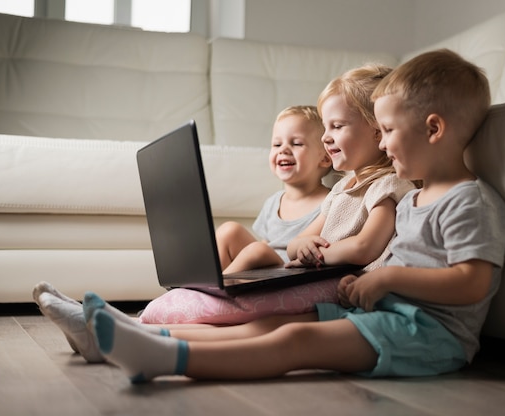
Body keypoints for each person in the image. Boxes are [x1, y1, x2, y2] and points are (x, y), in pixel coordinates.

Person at [70, 49, 505, 382]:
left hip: (431, 335)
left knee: (293, 341)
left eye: (390, 132)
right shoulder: (417, 197)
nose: (384, 142)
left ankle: (162, 359)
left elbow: (471, 281)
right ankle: (132, 338)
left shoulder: (469, 200)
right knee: (270, 324)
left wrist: (386, 279)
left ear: (434, 129)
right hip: (384, 313)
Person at [34, 62, 416, 365]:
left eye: (336, 126)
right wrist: (305, 244)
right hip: (313, 274)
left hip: (339, 283)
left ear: (377, 133)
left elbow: (366, 247)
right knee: (256, 306)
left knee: (264, 324)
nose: (328, 136)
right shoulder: (341, 190)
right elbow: (305, 238)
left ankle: (119, 328)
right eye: (326, 128)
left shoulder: (385, 186)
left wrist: (319, 253)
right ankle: (108, 327)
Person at [216, 105, 332, 274]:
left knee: (258, 250)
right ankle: (212, 283)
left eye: (296, 143)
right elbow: (265, 245)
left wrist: (256, 252)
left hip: (291, 273)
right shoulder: (273, 202)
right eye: (277, 144)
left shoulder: (330, 202)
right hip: (268, 272)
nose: (283, 149)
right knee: (229, 230)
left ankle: (212, 290)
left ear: (325, 158)